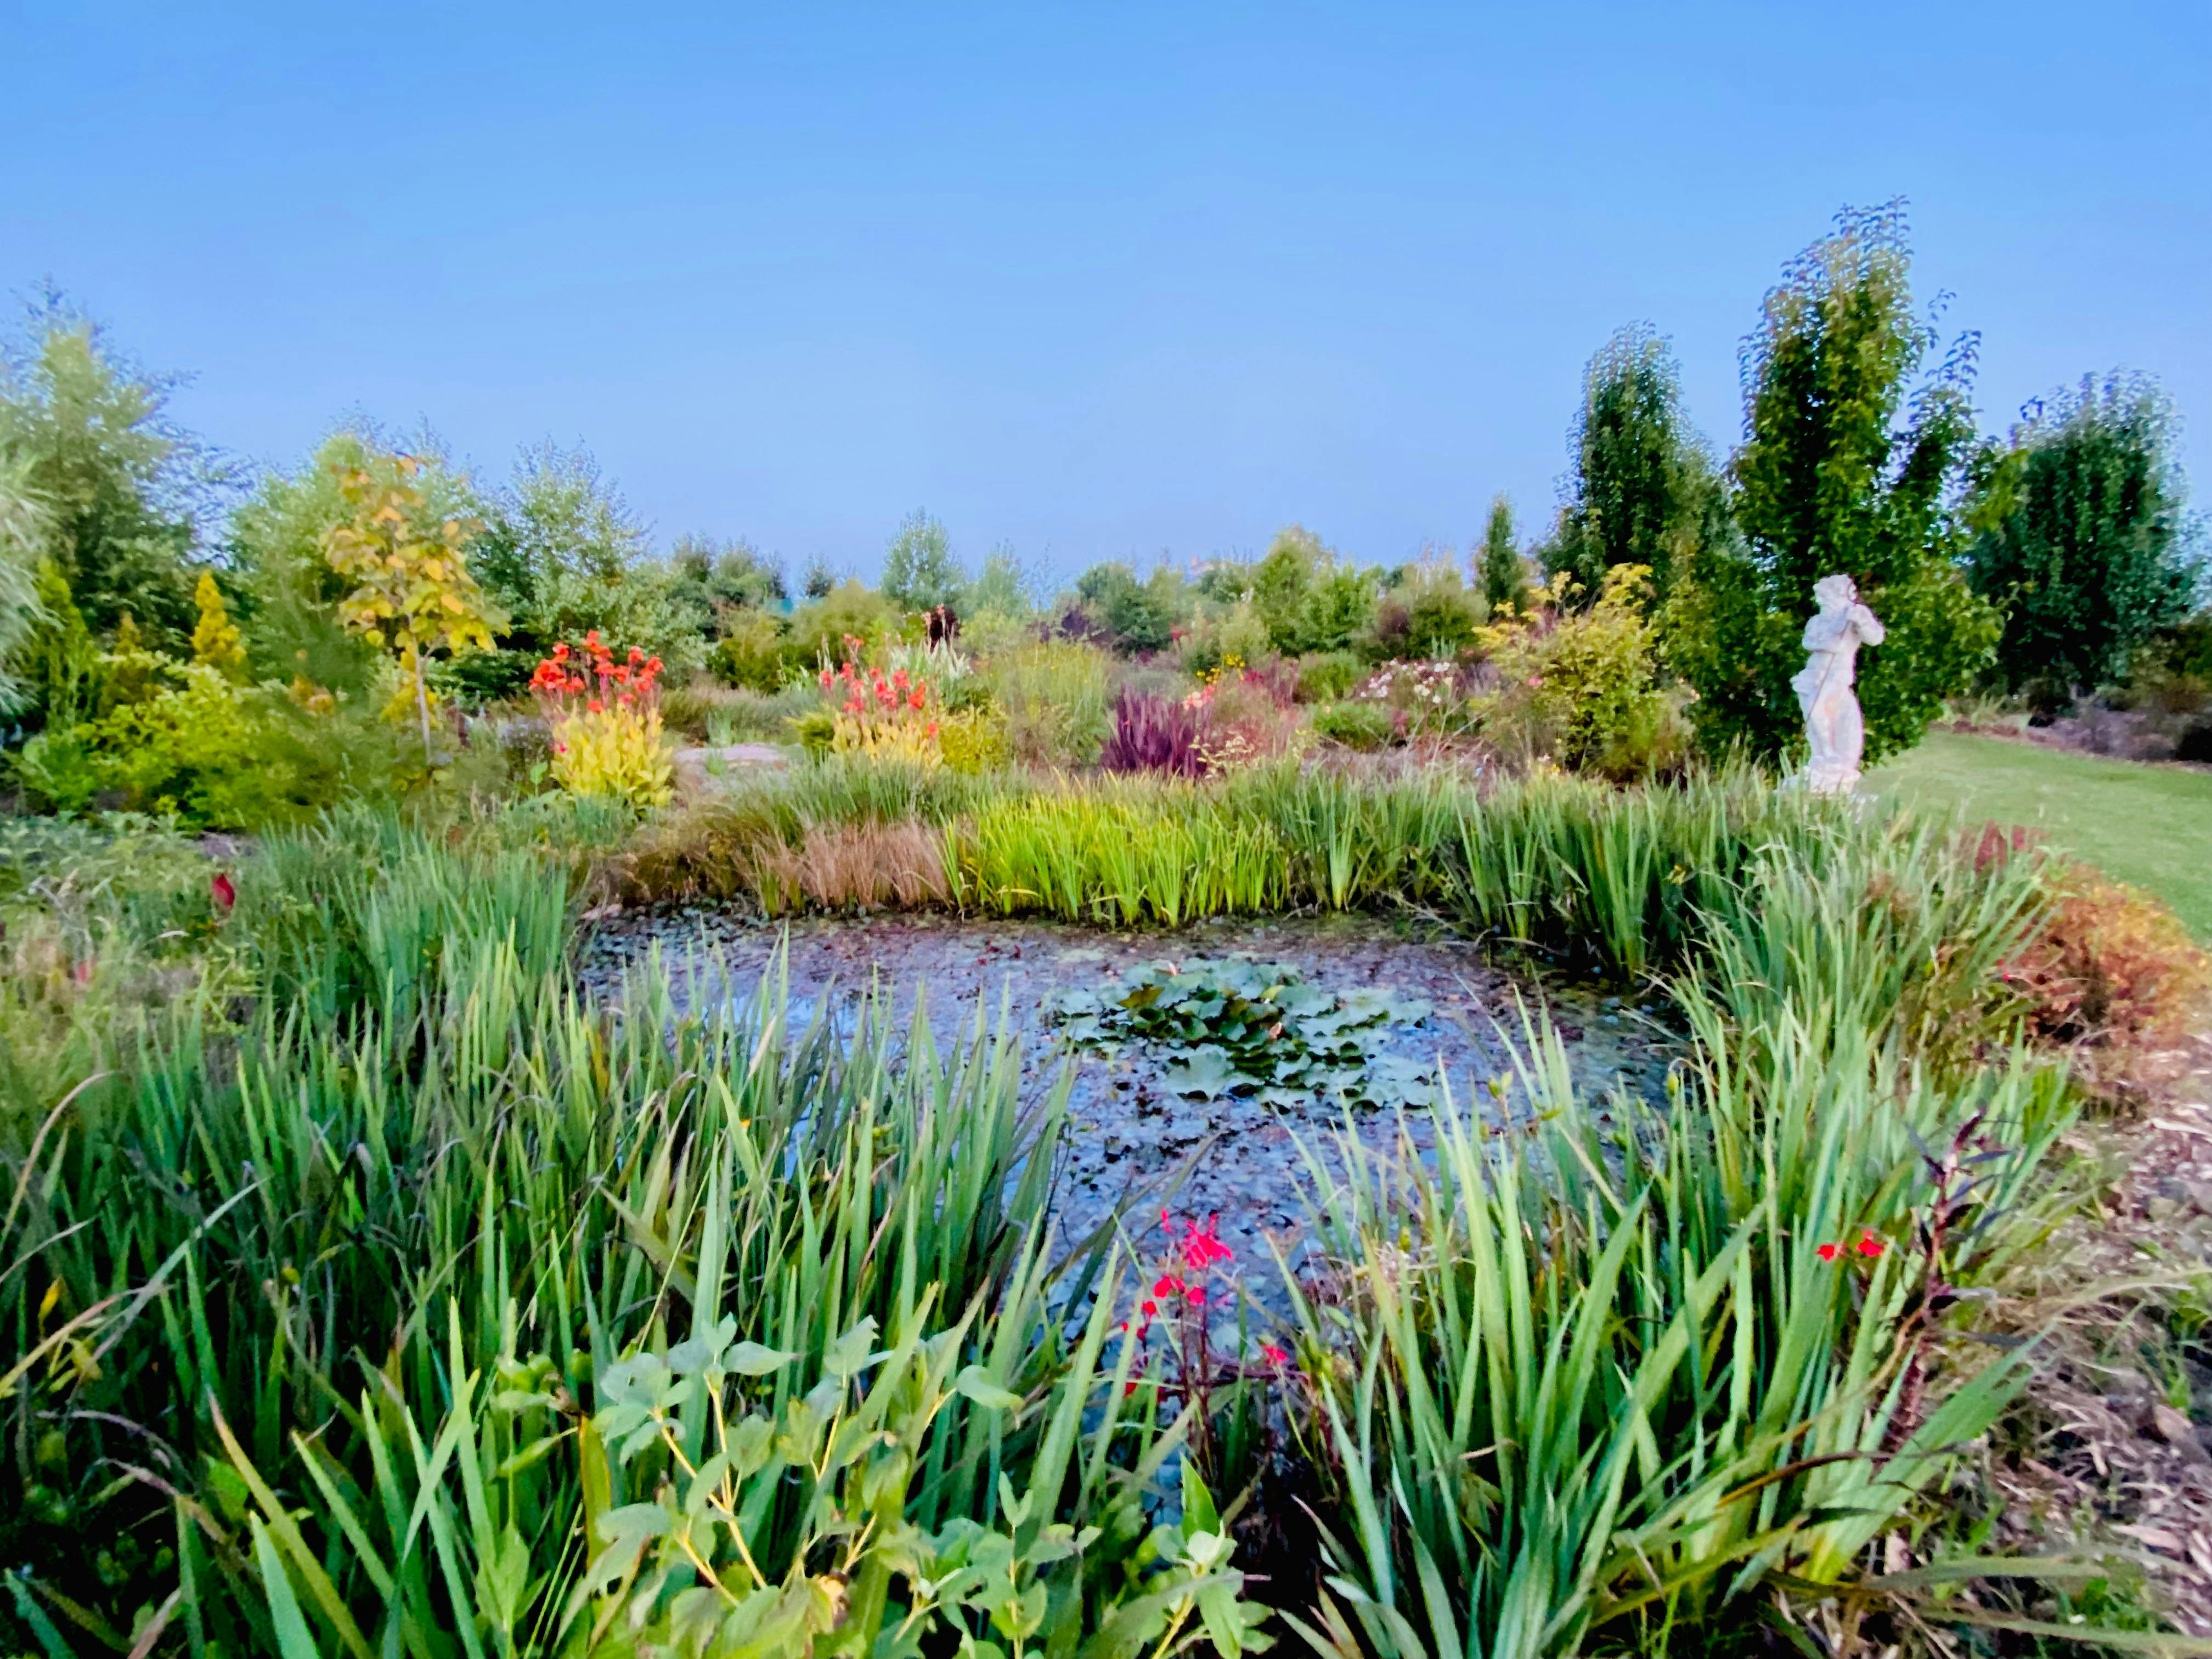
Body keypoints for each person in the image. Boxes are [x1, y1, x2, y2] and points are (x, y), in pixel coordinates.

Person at [1791, 573, 1885, 795]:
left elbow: (1875, 638)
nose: (1820, 601)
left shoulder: (1854, 614)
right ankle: (1821, 758)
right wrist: (1829, 643)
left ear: (1838, 595)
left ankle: (1830, 755)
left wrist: (1861, 622)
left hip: (1837, 674)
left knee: (1818, 710)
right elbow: (1808, 642)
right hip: (1813, 673)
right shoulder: (1817, 621)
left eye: (1824, 596)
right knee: (1811, 715)